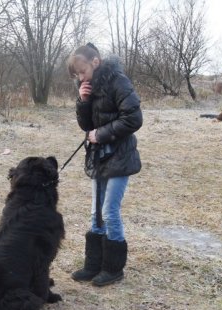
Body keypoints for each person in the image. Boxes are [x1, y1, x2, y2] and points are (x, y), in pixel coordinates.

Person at [67, 43, 142, 286]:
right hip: (98, 157)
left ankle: (113, 268)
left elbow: (133, 118)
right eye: (76, 74)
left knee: (109, 211)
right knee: (95, 212)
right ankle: (93, 264)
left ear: (95, 63)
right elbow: (85, 125)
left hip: (119, 156)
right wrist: (83, 101)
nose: (80, 77)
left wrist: (101, 134)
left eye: (82, 71)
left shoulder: (118, 81)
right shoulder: (88, 86)